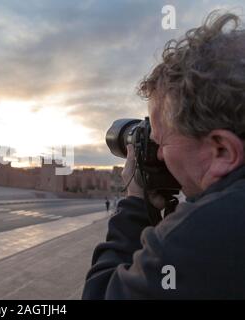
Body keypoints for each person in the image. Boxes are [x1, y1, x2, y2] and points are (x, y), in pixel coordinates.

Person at [82, 11, 245, 299]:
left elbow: (101, 294)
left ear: (222, 151)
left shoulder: (200, 238)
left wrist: (134, 202)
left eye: (162, 142)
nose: (158, 157)